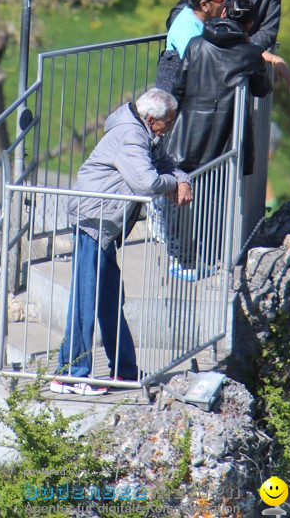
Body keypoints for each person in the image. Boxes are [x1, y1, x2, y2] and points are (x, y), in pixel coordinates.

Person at [52, 88, 192, 396]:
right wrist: (173, 182)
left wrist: (181, 177)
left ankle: (125, 370)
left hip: (106, 224)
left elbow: (165, 162)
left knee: (110, 298)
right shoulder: (131, 136)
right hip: (93, 220)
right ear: (150, 118)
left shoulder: (145, 134)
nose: (170, 127)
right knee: (85, 298)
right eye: (168, 121)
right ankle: (70, 374)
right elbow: (147, 181)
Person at [165, 18, 273, 279]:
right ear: (247, 27)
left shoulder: (196, 43)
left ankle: (181, 258)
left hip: (189, 132)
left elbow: (179, 85)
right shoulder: (250, 52)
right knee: (215, 200)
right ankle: (209, 257)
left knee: (179, 196)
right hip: (226, 137)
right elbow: (261, 89)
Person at [155, 0, 226, 92]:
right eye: (222, 1)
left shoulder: (202, 17)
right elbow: (200, 65)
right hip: (175, 96)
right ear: (204, 5)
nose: (226, 4)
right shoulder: (187, 28)